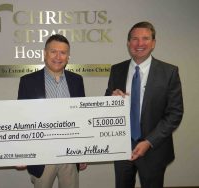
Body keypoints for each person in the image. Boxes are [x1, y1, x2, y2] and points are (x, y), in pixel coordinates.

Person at [105, 21, 184, 188]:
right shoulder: (117, 70)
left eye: (145, 38)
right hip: (122, 148)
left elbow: (175, 113)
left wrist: (149, 141)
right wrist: (111, 100)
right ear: (128, 43)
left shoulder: (169, 72)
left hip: (154, 149)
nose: (139, 44)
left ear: (153, 43)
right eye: (134, 39)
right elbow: (106, 105)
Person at [17, 34, 87, 188]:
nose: (58, 56)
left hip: (70, 153)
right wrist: (21, 151)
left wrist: (82, 152)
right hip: (42, 155)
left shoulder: (77, 80)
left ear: (68, 56)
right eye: (53, 51)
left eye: (63, 52)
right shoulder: (28, 81)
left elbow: (81, 118)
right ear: (45, 53)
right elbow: (21, 120)